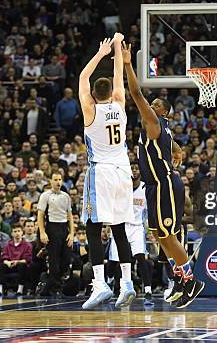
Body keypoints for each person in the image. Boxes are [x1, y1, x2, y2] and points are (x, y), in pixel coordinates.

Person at [122, 42, 204, 308]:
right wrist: (178, 149)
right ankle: (179, 277)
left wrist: (127, 64)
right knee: (158, 234)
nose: (150, 105)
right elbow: (172, 143)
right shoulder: (161, 129)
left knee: (167, 235)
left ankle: (191, 280)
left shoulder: (155, 123)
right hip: (154, 186)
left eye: (155, 104)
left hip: (164, 184)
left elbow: (135, 92)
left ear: (162, 112)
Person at [77, 33, 135, 309]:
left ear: (93, 95)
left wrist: (101, 52)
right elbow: (118, 77)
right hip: (124, 170)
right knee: (120, 228)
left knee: (92, 227)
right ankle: (127, 283)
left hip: (101, 172)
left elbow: (82, 78)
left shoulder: (90, 110)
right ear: (111, 92)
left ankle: (99, 284)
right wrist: (117, 50)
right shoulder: (120, 105)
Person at [109, 162, 154, 305]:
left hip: (136, 227)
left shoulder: (145, 188)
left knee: (141, 258)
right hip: (120, 225)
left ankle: (148, 290)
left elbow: (150, 211)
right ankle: (110, 283)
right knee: (114, 261)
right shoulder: (121, 187)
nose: (134, 171)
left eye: (136, 168)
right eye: (131, 169)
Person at [37, 173, 73, 296]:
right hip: (52, 227)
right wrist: (42, 232)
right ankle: (56, 289)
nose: (58, 182)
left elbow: (70, 216)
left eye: (60, 179)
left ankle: (47, 288)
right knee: (54, 261)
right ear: (51, 181)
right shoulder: (45, 195)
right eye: (55, 180)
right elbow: (40, 215)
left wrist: (72, 233)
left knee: (66, 259)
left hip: (64, 228)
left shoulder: (66, 196)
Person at [0, 224, 32, 296]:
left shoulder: (27, 245)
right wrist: (7, 262)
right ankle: (0, 289)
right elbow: (4, 256)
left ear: (22, 232)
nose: (17, 233)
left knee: (22, 265)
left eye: (19, 231)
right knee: (2, 265)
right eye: (15, 231)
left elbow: (27, 259)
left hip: (20, 265)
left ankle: (20, 289)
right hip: (10, 265)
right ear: (12, 233)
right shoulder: (7, 245)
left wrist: (17, 262)